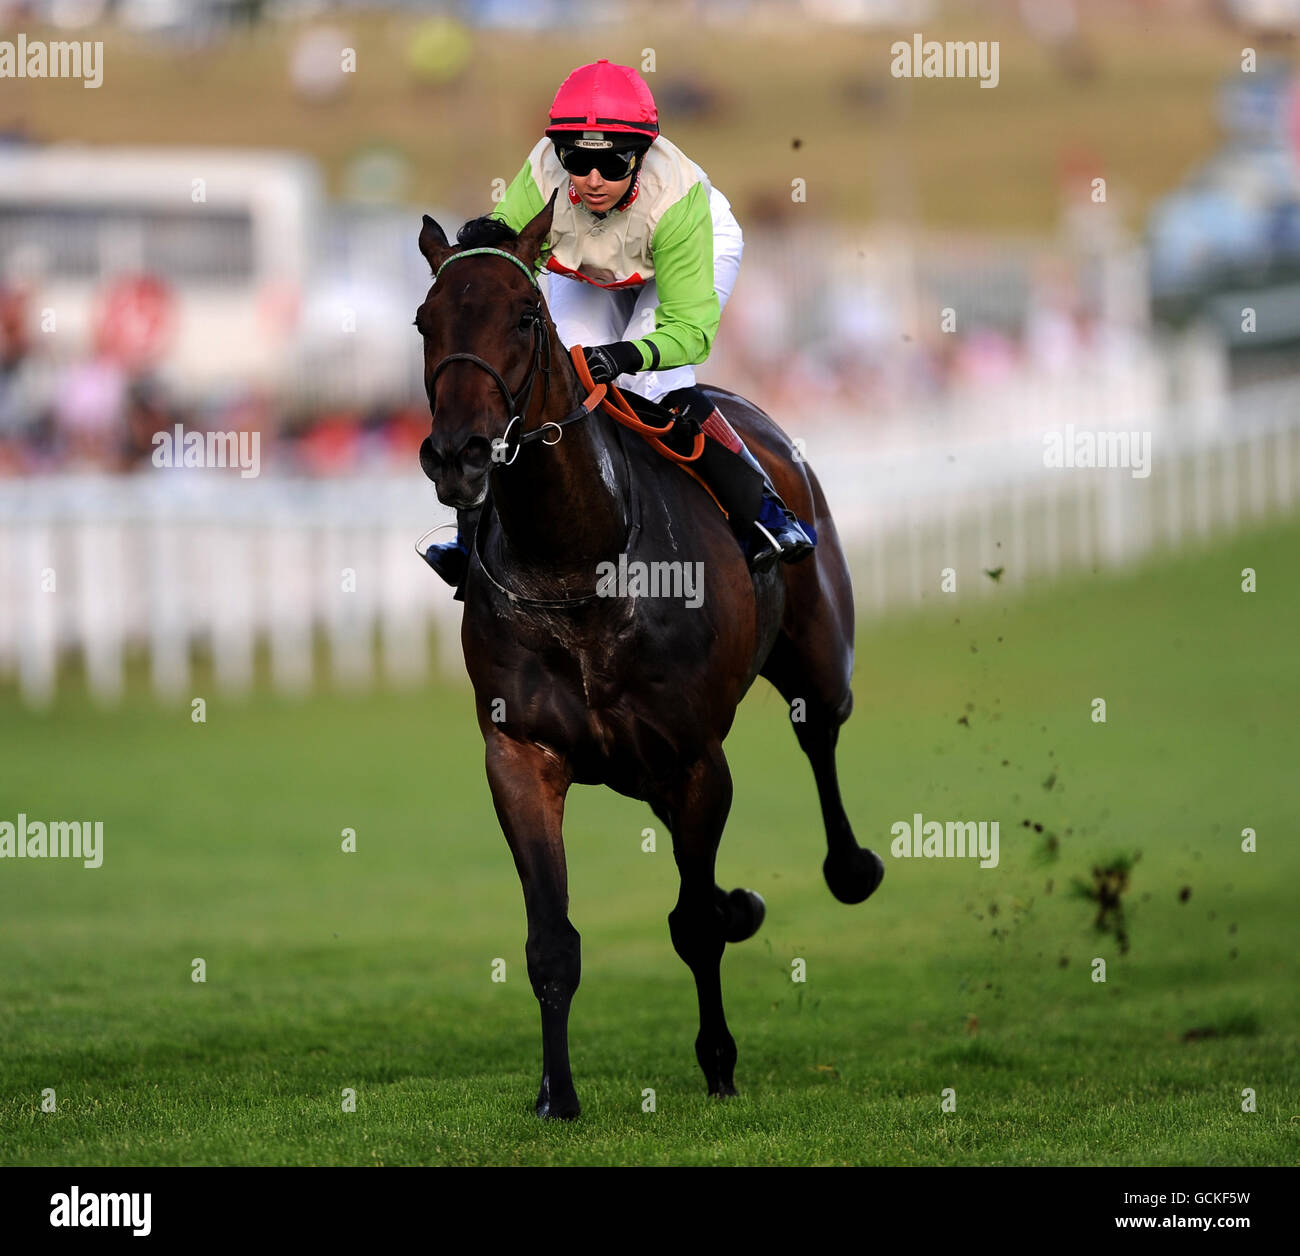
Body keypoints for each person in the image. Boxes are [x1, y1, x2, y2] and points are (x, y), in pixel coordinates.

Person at [423, 58, 814, 591]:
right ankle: (473, 535)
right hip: (587, 267)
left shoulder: (677, 200)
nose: (592, 179)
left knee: (652, 382)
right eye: (577, 161)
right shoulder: (542, 175)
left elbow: (690, 332)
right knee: (556, 373)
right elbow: (504, 261)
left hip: (679, 257)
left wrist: (625, 356)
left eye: (612, 165)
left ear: (642, 154)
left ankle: (762, 510)